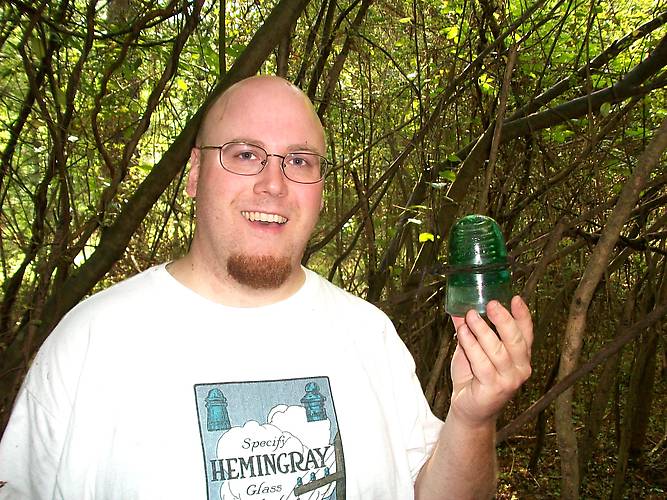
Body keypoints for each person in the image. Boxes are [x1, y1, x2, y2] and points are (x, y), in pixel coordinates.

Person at [0, 75, 532, 500]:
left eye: (298, 161)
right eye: (245, 154)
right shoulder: (92, 342)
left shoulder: (370, 336)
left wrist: (471, 417)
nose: (273, 184)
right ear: (194, 173)